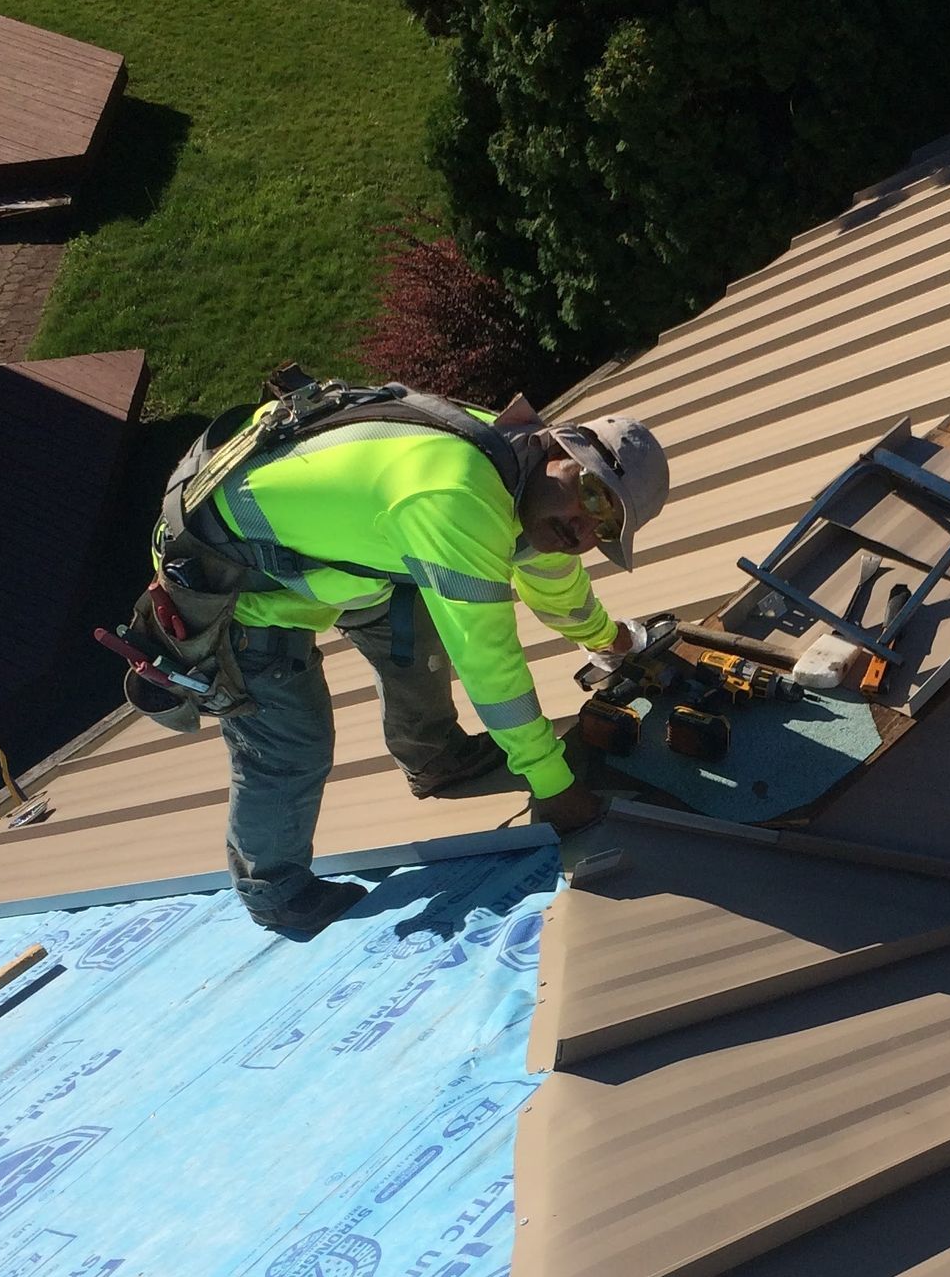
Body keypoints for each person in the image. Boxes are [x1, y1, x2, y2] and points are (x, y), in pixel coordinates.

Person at [172, 391, 669, 936]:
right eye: (594, 498)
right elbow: (486, 658)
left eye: (603, 530)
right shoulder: (456, 495)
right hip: (233, 572)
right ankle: (273, 891)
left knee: (417, 619)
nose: (583, 529)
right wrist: (552, 784)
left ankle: (435, 757)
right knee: (292, 745)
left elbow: (551, 576)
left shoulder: (522, 468)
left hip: (341, 548)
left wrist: (611, 640)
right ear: (559, 448)